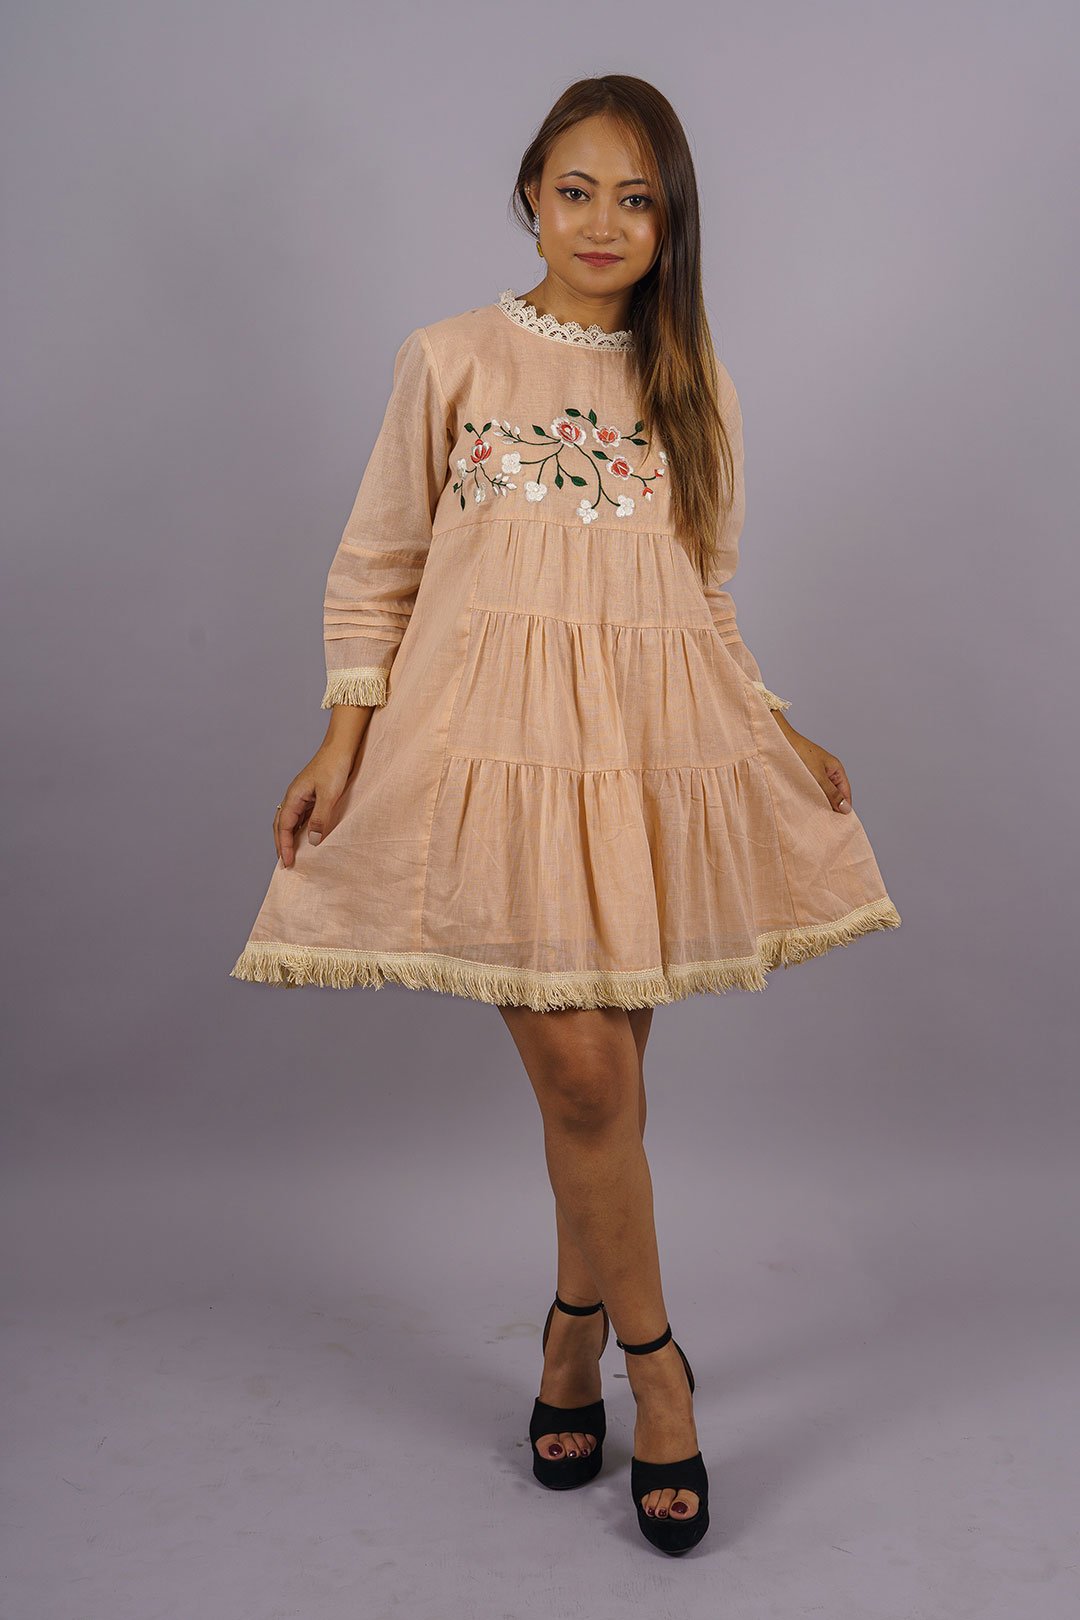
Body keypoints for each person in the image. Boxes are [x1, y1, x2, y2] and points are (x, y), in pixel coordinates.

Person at [230, 74, 901, 1555]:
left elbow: (701, 592)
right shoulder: (448, 358)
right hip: (491, 753)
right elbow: (379, 564)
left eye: (638, 199)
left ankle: (569, 1330)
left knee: (609, 1097)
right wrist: (341, 740)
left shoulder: (693, 380)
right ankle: (661, 1373)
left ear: (672, 224)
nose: (603, 221)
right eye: (577, 189)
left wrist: (771, 721)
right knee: (590, 1087)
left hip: (641, 758)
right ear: (530, 193)